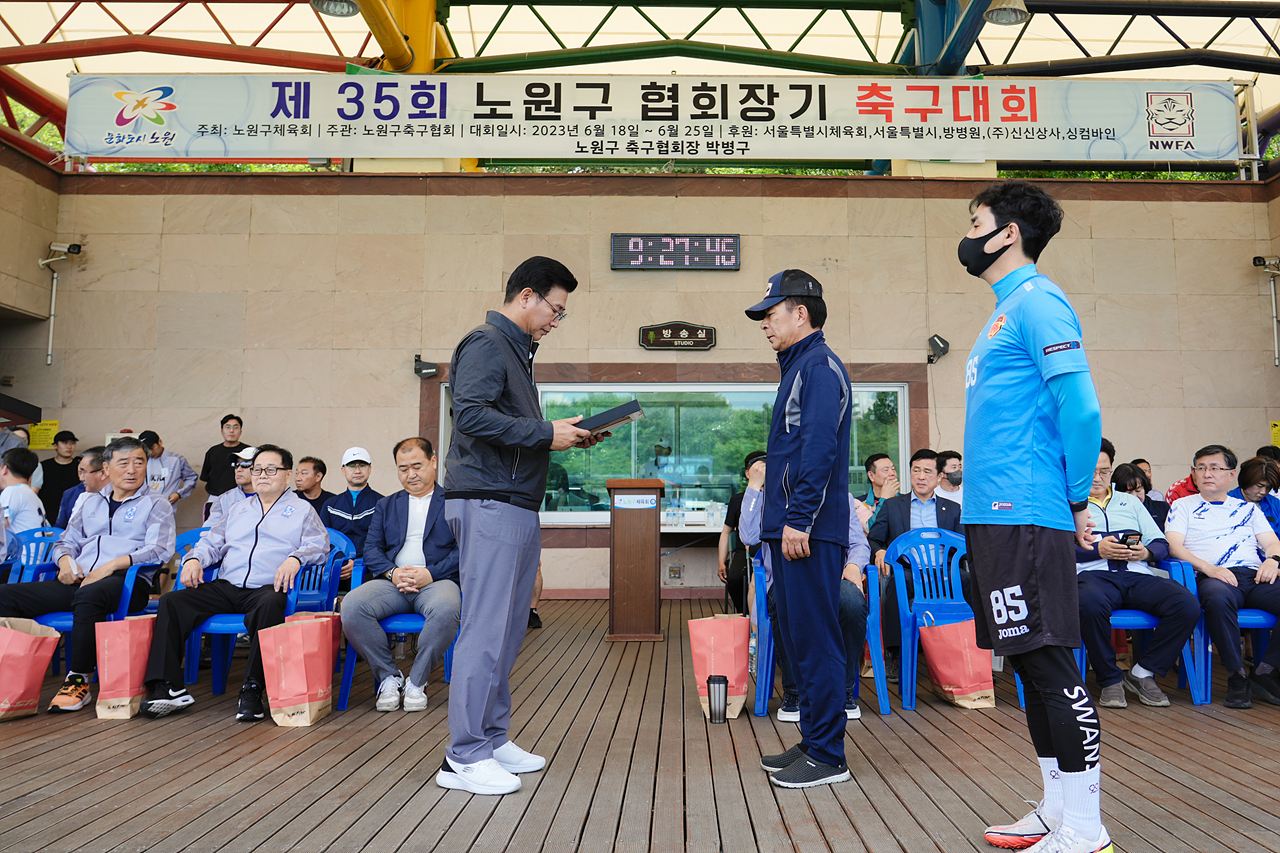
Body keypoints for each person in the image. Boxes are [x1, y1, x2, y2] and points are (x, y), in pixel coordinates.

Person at [959, 181, 1108, 853]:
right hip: (994, 515)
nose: (967, 234)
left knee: (1051, 665)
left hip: (1027, 510)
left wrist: (1077, 498)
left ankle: (1087, 826)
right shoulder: (1006, 308)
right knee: (1025, 661)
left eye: (976, 221)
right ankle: (1055, 808)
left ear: (1008, 233)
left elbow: (1082, 410)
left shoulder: (1040, 301)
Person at [436, 255, 603, 797]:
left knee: (508, 630)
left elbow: (515, 427)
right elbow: (471, 415)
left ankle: (490, 736)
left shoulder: (517, 351)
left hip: (511, 503)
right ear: (526, 296)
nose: (557, 320)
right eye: (555, 309)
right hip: (489, 501)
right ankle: (463, 756)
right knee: (485, 629)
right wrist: (545, 432)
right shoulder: (487, 342)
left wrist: (562, 433)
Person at [745, 268, 853, 790]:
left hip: (805, 531)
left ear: (800, 313)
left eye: (770, 314)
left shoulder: (818, 366)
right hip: (789, 531)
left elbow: (818, 450)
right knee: (796, 640)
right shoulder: (800, 366)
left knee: (816, 641)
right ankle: (814, 741)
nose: (765, 325)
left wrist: (797, 519)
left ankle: (829, 755)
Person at [140, 444, 329, 722]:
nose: (262, 475)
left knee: (271, 604)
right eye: (257, 469)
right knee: (173, 601)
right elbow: (212, 543)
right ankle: (166, 687)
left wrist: (296, 558)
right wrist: (194, 560)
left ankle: (252, 689)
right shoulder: (238, 509)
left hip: (267, 587)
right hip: (228, 585)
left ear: (287, 475)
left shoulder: (302, 510)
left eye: (271, 469)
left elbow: (319, 545)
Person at [0, 436, 175, 712]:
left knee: (90, 596)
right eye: (124, 463)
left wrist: (112, 565)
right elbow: (65, 541)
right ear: (106, 468)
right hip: (81, 580)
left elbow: (159, 550)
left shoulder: (156, 504)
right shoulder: (90, 502)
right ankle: (12, 676)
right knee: (5, 596)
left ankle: (78, 679)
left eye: (139, 462)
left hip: (127, 584)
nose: (132, 470)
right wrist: (65, 561)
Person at [738, 456, 869, 722]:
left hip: (833, 579)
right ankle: (795, 692)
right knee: (788, 604)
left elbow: (858, 543)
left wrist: (854, 565)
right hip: (785, 579)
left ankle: (843, 690)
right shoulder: (771, 497)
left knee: (852, 603)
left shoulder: (838, 496)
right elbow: (748, 538)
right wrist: (754, 486)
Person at [1076, 439, 1198, 710]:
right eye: (1090, 470)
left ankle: (1143, 672)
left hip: (1136, 574)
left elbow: (1161, 543)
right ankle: (1109, 679)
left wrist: (1145, 554)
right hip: (1093, 577)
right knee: (1089, 605)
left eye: (1104, 471)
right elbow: (1055, 551)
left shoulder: (1129, 502)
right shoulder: (1067, 503)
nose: (1097, 478)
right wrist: (1098, 550)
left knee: (1187, 604)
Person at [343, 437, 460, 713]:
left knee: (447, 608)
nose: (411, 474)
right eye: (403, 468)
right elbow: (371, 548)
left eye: (417, 466)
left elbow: (463, 549)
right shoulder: (387, 505)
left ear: (433, 462)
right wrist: (393, 572)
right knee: (351, 605)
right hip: (392, 584)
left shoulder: (454, 502)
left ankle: (417, 681)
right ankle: (389, 676)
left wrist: (430, 573)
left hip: (437, 582)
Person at [1166, 445, 1280, 709]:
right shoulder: (1183, 506)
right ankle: (1236, 676)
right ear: (1194, 474)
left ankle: (1265, 671)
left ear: (1230, 475)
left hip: (1253, 576)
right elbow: (1175, 546)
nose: (1207, 473)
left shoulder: (1248, 509)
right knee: (1217, 601)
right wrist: (1210, 569)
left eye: (1215, 468)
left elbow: (1272, 543)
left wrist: (1273, 561)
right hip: (1213, 578)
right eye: (1201, 468)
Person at [867, 448, 964, 683]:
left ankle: (969, 651)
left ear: (939, 476)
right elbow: (874, 538)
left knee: (970, 581)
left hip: (944, 573)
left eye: (927, 472)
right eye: (916, 470)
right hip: (908, 571)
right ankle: (897, 653)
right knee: (896, 585)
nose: (921, 476)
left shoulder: (952, 509)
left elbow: (963, 547)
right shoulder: (893, 506)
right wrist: (879, 550)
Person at [321, 447, 384, 585]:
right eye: (351, 466)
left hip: (370, 571)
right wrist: (338, 562)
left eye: (362, 465)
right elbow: (323, 541)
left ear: (370, 469)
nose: (357, 470)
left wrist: (359, 563)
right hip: (335, 570)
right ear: (343, 470)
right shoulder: (330, 505)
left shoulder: (382, 504)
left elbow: (385, 543)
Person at [717, 450, 766, 615]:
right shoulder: (738, 499)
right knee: (736, 578)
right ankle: (744, 614)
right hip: (743, 551)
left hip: (768, 550)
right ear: (748, 473)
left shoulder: (778, 497)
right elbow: (726, 532)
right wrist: (721, 562)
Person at [1, 447, 47, 558]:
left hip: (17, 562)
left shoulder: (12, 491)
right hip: (32, 561)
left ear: (5, 469)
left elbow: (1, 526)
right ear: (31, 475)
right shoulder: (31, 495)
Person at [200, 414, 248, 520]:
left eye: (236, 427)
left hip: (241, 499)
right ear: (222, 431)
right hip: (215, 499)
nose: (231, 430)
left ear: (241, 431)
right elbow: (205, 477)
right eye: (227, 427)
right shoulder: (212, 452)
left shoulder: (249, 452)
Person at [55, 446, 108, 529]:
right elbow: (66, 530)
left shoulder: (121, 497)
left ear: (103, 472)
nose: (81, 478)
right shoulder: (78, 496)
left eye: (84, 472)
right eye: (80, 471)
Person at [205, 447, 257, 529]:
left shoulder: (274, 498)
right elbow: (209, 531)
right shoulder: (224, 499)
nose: (238, 469)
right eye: (236, 465)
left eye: (245, 464)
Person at [1229, 455, 1280, 537]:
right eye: (1259, 486)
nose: (1263, 492)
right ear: (1246, 480)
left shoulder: (1275, 504)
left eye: (1268, 487)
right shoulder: (1226, 502)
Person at [1110, 463, 1168, 531]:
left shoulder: (1162, 508)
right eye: (1128, 493)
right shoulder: (1111, 513)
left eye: (1138, 490)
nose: (1134, 497)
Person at [37, 430, 80, 522]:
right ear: (55, 446)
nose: (69, 447)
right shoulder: (43, 466)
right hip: (47, 513)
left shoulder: (79, 467)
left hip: (73, 513)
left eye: (73, 443)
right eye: (65, 443)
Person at [860, 453, 899, 525]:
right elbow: (873, 529)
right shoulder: (859, 503)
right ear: (871, 475)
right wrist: (884, 499)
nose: (892, 473)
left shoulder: (905, 500)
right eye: (886, 470)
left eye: (893, 469)